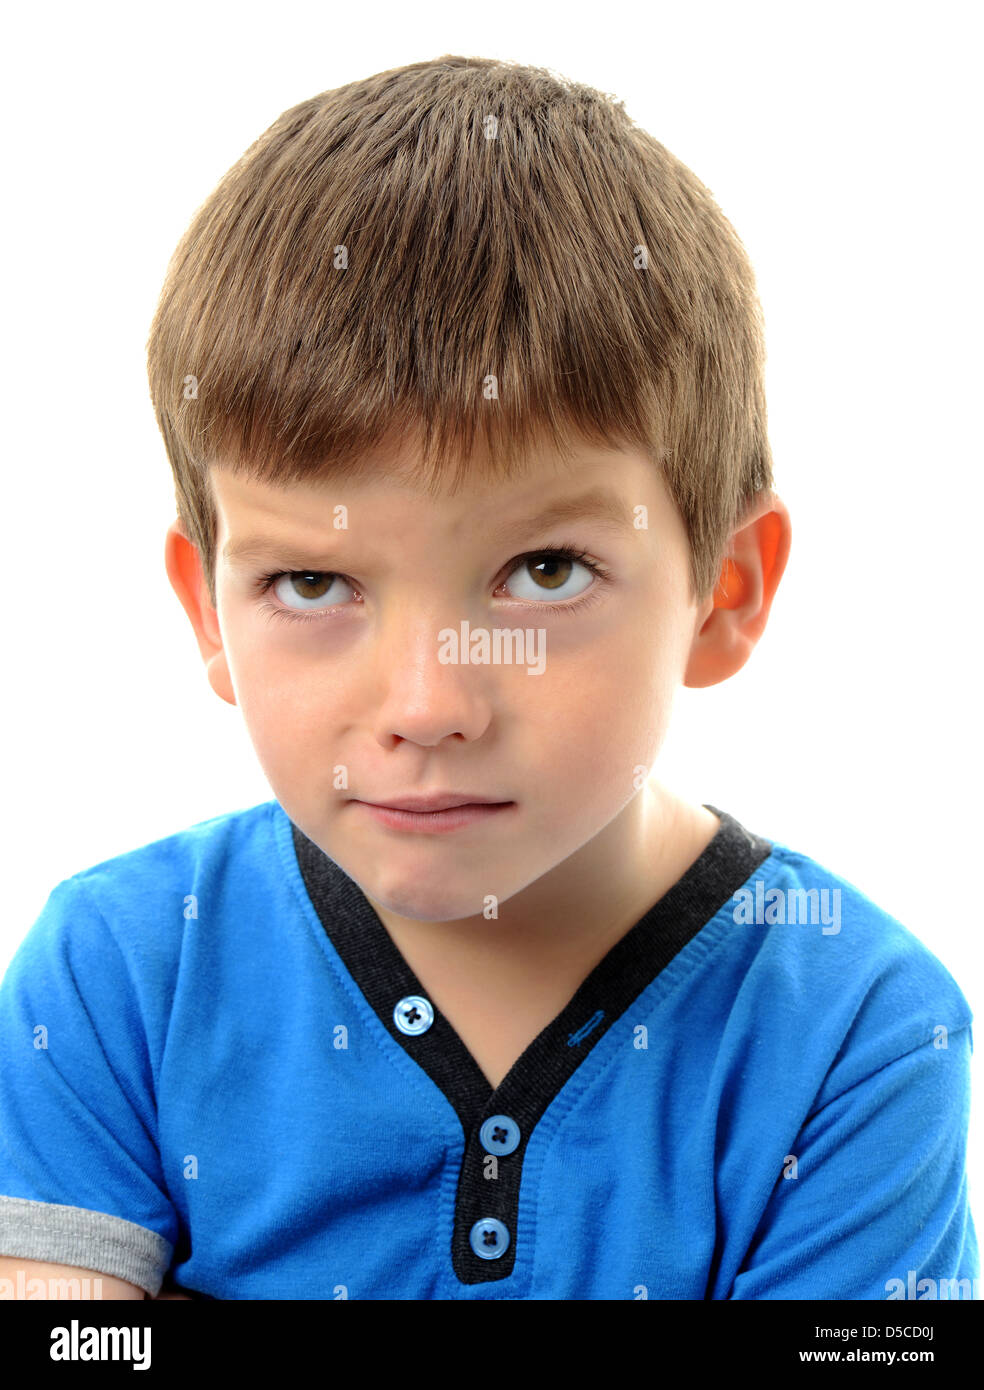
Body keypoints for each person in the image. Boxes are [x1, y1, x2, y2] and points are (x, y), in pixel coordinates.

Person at [0, 55, 975, 1301]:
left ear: (724, 589)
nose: (427, 705)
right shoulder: (119, 970)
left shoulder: (859, 1032)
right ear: (206, 610)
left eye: (547, 569)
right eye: (313, 585)